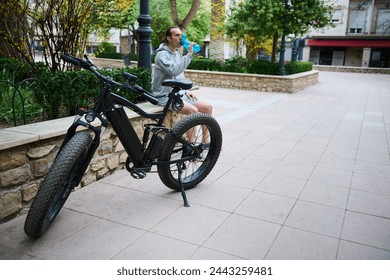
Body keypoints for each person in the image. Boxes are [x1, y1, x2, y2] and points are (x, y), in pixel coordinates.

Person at [152, 26, 212, 116]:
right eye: (177, 35)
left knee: (208, 107)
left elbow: (179, 76)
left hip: (178, 94)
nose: (180, 37)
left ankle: (208, 131)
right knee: (193, 111)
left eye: (181, 35)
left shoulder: (176, 53)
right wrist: (189, 54)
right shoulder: (161, 55)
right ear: (169, 38)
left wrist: (186, 91)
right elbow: (174, 71)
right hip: (164, 96)